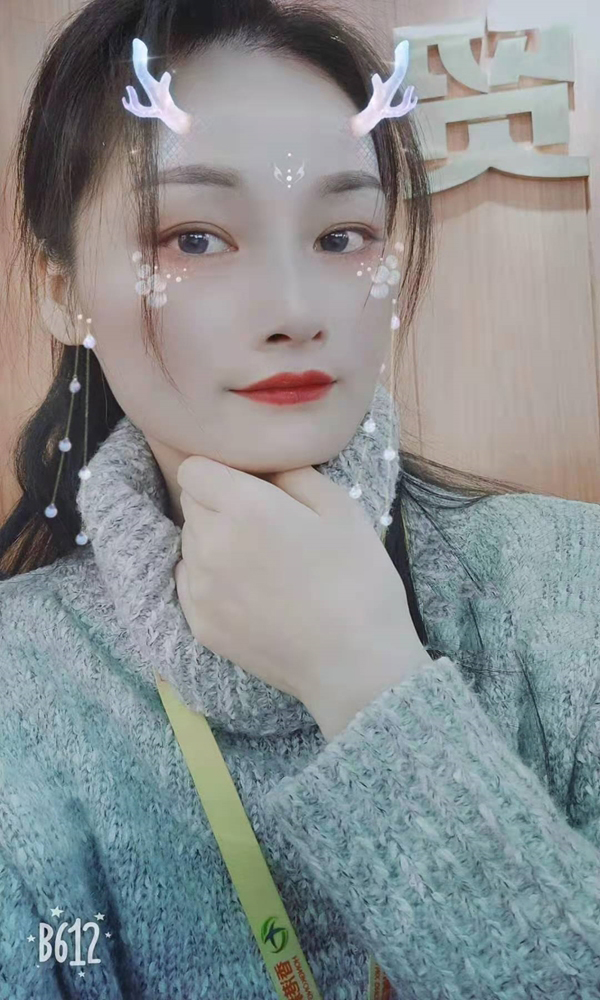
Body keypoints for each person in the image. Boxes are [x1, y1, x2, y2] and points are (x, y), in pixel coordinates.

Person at [0, 1, 599, 997]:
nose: (294, 309)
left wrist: (367, 682)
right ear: (64, 292)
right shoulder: (18, 686)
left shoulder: (572, 585)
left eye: (341, 235)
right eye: (195, 238)